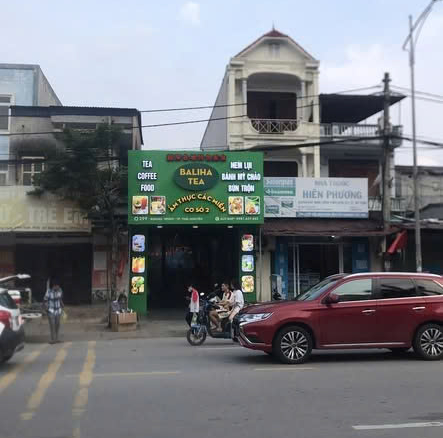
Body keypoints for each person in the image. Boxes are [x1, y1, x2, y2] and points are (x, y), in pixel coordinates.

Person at [44, 279, 64, 344]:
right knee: (52, 325)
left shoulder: (60, 290)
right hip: (51, 310)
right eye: (57, 286)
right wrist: (46, 308)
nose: (58, 287)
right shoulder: (49, 291)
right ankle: (53, 339)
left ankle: (57, 338)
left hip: (58, 310)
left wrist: (62, 304)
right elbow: (45, 300)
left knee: (57, 324)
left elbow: (60, 298)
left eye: (59, 286)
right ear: (54, 286)